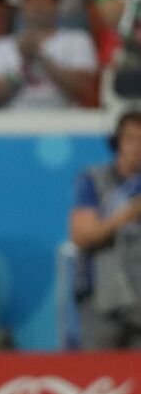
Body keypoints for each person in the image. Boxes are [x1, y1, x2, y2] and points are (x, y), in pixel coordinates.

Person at [67, 109, 141, 349]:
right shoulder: (95, 180)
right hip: (102, 300)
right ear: (117, 141)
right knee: (99, 369)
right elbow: (82, 235)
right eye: (131, 138)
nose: (137, 146)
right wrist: (126, 216)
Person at [0, 0, 97, 108]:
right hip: (14, 121)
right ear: (23, 4)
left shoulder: (78, 40)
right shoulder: (1, 46)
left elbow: (83, 88)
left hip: (64, 118)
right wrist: (22, 67)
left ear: (56, 3)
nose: (38, 6)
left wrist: (42, 58)